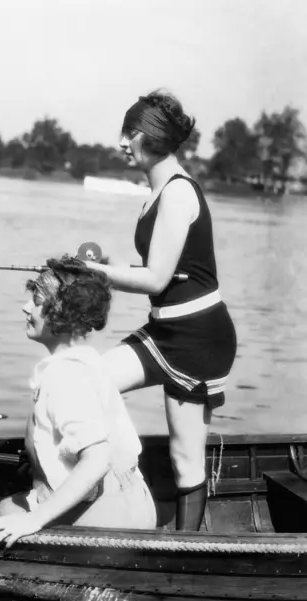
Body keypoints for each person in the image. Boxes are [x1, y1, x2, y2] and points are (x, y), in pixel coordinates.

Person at [84, 90, 237, 531]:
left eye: (127, 133)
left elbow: (155, 280)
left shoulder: (176, 194)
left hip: (199, 341)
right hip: (163, 333)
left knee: (185, 458)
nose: (121, 142)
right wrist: (107, 268)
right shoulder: (155, 192)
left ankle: (186, 554)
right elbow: (165, 271)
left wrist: (96, 271)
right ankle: (109, 480)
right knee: (91, 380)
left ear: (147, 135)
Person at [0, 256, 157, 547]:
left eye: (36, 301)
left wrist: (33, 520)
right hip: (136, 501)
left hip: (114, 521)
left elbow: (97, 458)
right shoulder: (89, 361)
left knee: (4, 511)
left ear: (61, 312)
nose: (26, 308)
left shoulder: (63, 375)